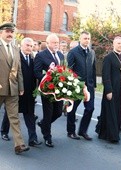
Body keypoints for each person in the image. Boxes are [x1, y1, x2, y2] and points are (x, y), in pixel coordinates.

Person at [0, 22, 29, 154]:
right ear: (1, 33)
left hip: (13, 89)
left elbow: (19, 70)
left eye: (12, 31)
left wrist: (21, 86)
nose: (10, 34)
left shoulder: (16, 48)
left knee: (14, 117)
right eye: (7, 31)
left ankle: (19, 144)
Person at [95, 36, 121, 143]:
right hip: (112, 90)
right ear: (113, 44)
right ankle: (112, 136)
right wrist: (108, 90)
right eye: (118, 43)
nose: (120, 45)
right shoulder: (109, 57)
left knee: (119, 111)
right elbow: (105, 75)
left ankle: (110, 131)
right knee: (111, 112)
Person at [34, 33, 64, 147]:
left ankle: (43, 124)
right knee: (48, 113)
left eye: (57, 42)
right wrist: (48, 80)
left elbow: (63, 69)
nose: (56, 44)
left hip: (59, 90)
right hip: (47, 89)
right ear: (47, 44)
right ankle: (47, 137)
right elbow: (36, 72)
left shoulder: (60, 55)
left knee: (58, 112)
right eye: (54, 42)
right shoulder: (41, 55)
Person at [66, 31, 96, 141]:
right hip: (76, 86)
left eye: (88, 38)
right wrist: (71, 85)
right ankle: (71, 131)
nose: (87, 40)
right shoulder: (73, 52)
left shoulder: (92, 52)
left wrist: (94, 85)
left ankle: (83, 131)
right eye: (85, 38)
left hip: (89, 86)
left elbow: (93, 69)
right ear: (80, 39)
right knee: (72, 109)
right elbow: (69, 70)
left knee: (90, 108)